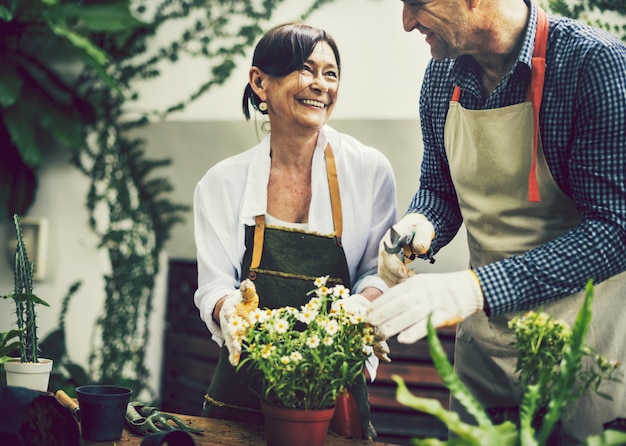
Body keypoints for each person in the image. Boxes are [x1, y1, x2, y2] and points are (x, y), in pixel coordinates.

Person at [367, 1, 626, 444]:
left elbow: (614, 229)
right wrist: (416, 227)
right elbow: (439, 188)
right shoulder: (441, 77)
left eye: (417, 4)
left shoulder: (593, 65)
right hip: (485, 355)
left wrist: (473, 289)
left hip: (584, 357)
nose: (408, 22)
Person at [192, 22, 397, 440]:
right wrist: (228, 311)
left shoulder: (369, 170)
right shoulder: (221, 183)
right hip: (241, 395)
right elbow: (213, 286)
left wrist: (363, 307)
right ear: (259, 82)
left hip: (334, 397)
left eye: (331, 73)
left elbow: (379, 272)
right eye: (306, 69)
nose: (321, 85)